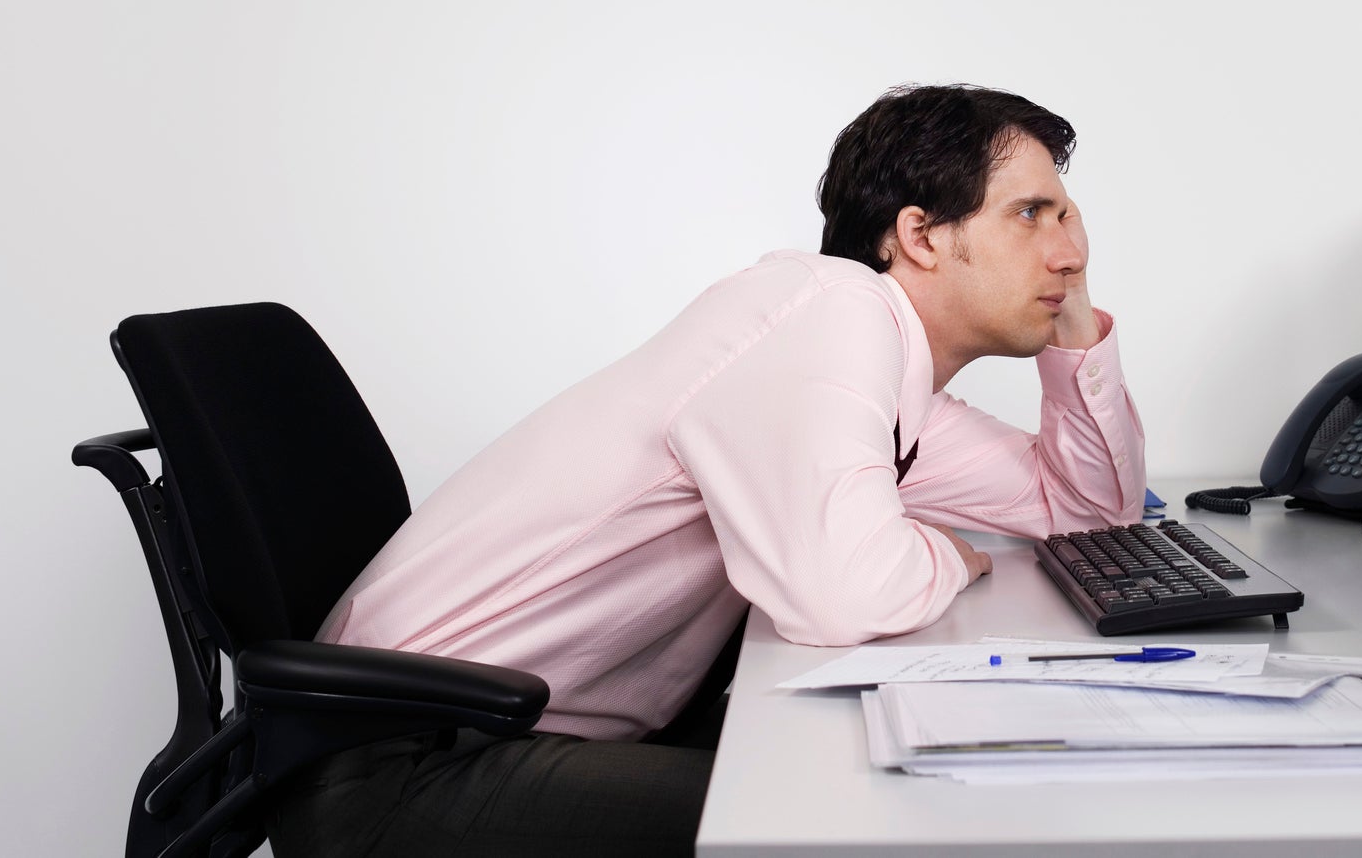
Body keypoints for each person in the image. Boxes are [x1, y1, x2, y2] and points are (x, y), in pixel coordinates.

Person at [268, 83, 1146, 857]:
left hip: (500, 735)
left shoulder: (879, 376)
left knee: (879, 771)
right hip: (396, 763)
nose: (1069, 249)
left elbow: (1086, 509)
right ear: (918, 235)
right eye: (1031, 214)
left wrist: (1072, 321)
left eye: (1068, 216)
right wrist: (947, 552)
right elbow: (844, 593)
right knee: (869, 819)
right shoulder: (835, 313)